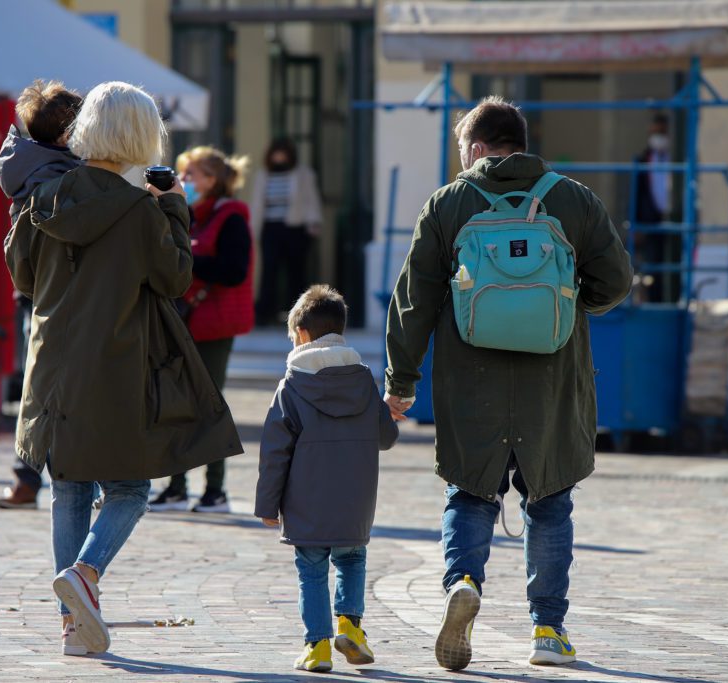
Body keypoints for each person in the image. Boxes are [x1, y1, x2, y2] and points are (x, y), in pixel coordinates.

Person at [383, 96, 633, 670]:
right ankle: (548, 630)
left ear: (474, 149)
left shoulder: (448, 204)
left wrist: (401, 380)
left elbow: (413, 300)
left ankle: (462, 583)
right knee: (550, 502)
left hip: (471, 380)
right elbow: (616, 280)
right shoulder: (572, 199)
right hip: (553, 379)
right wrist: (570, 310)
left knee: (469, 493)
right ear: (520, 144)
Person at [5, 81, 241, 657]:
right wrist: (175, 204)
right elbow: (176, 279)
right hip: (115, 364)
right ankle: (85, 574)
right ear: (141, 136)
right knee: (130, 487)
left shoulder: (45, 195)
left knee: (69, 487)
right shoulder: (140, 207)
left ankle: (74, 627)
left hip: (53, 361)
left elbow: (24, 279)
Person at [255, 285, 399, 673]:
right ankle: (350, 625)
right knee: (352, 559)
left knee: (312, 570)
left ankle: (317, 646)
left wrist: (267, 506)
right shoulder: (364, 381)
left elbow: (274, 452)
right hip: (355, 499)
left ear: (301, 334)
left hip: (307, 501)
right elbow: (386, 437)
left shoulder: (292, 386)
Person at [0, 79, 82, 509]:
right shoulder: (60, 175)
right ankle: (34, 477)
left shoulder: (27, 163)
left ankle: (28, 478)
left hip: (37, 292)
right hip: (61, 294)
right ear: (66, 134)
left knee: (40, 384)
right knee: (49, 387)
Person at [148, 146, 254, 513]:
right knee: (177, 404)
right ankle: (177, 487)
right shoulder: (188, 213)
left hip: (214, 324)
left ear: (213, 180)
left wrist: (188, 259)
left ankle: (215, 490)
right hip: (185, 320)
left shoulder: (231, 216)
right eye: (183, 174)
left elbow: (234, 270)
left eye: (191, 175)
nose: (184, 181)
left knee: (209, 405)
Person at [251, 138, 323, 325]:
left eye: (283, 153)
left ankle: (300, 313)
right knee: (269, 271)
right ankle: (266, 313)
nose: (279, 156)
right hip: (270, 228)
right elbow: (257, 204)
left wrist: (313, 222)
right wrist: (253, 228)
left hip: (295, 228)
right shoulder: (263, 175)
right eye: (276, 152)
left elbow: (310, 199)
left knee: (296, 272)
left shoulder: (302, 174)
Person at [633, 112, 679, 302]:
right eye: (655, 132)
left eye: (662, 132)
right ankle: (654, 301)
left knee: (674, 264)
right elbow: (637, 192)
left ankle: (674, 298)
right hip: (651, 221)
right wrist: (636, 223)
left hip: (675, 220)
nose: (658, 136)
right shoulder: (643, 159)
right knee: (653, 266)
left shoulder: (676, 157)